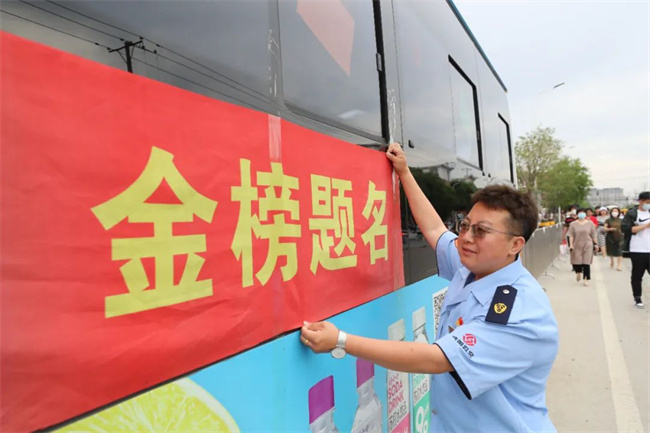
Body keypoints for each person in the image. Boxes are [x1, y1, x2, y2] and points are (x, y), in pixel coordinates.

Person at [301, 143, 559, 433]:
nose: (466, 237)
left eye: (481, 231)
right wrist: (404, 172)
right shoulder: (474, 267)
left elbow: (436, 359)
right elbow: (436, 229)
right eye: (465, 225)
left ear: (515, 245)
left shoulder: (518, 311)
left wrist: (341, 341)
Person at [621, 191, 650, 308]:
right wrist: (645, 226)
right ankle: (637, 297)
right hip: (638, 249)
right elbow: (626, 229)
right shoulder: (632, 214)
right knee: (637, 275)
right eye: (648, 202)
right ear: (641, 201)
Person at [567, 209, 598, 286]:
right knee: (577, 261)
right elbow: (571, 235)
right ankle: (578, 272)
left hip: (588, 244)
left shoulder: (590, 224)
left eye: (583, 213)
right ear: (577, 214)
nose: (582, 214)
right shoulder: (573, 224)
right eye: (580, 213)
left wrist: (596, 244)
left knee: (586, 263)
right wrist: (571, 245)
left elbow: (593, 235)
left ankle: (586, 279)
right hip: (577, 244)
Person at [604, 207, 623, 271]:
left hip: (620, 237)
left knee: (620, 251)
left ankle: (619, 265)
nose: (615, 212)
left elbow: (624, 227)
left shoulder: (621, 220)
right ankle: (612, 261)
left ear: (618, 212)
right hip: (610, 237)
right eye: (613, 211)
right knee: (611, 250)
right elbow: (604, 228)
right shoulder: (608, 220)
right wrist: (610, 229)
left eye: (616, 211)